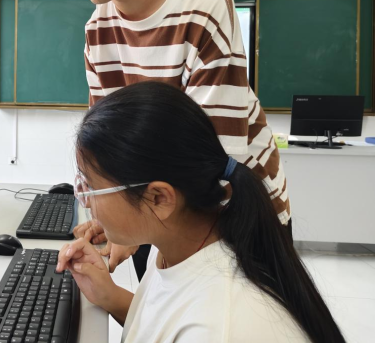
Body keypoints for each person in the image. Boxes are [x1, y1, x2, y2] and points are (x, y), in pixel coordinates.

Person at [41, 0, 289, 279]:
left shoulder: (202, 6)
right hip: (157, 209)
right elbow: (106, 140)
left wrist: (130, 224)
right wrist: (104, 212)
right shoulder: (98, 30)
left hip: (234, 206)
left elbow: (217, 151)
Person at [57, 81, 343, 342]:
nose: (85, 201)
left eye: (90, 187)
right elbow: (162, 325)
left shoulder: (221, 327)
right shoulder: (176, 240)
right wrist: (108, 296)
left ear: (159, 198)